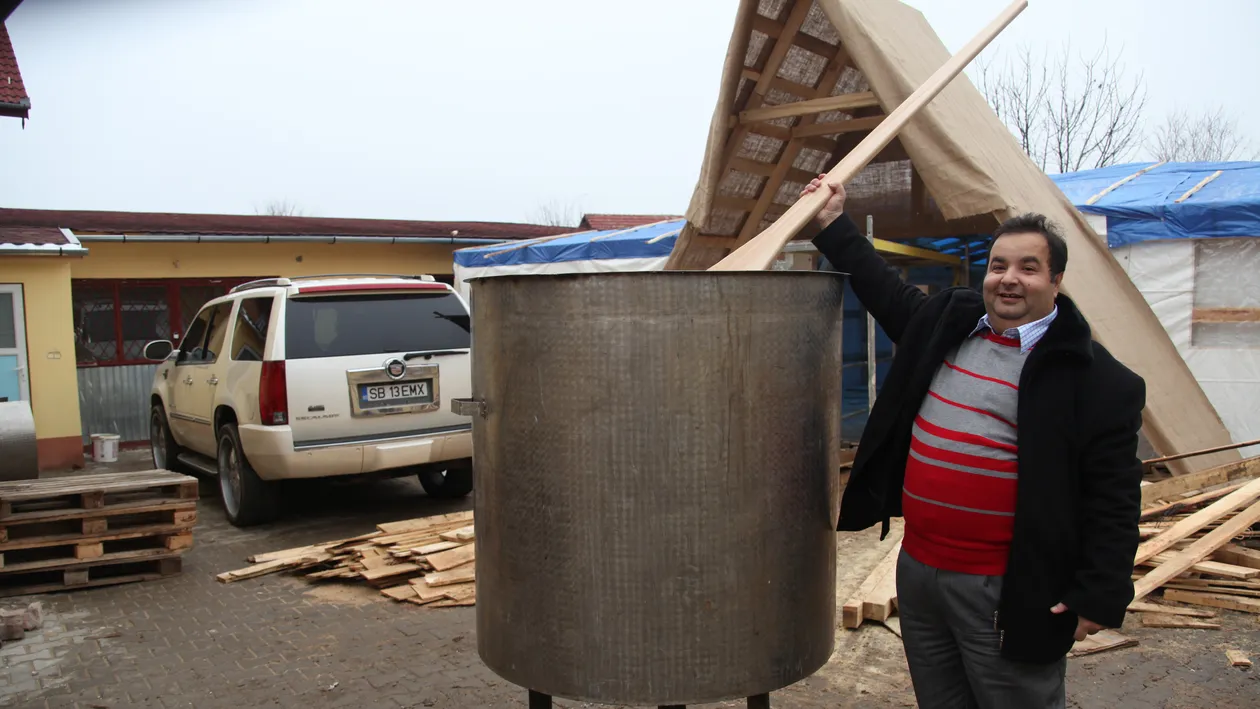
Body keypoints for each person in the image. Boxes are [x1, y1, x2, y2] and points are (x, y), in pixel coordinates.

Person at [802, 175, 1146, 709]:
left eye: (1028, 268)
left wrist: (1099, 594)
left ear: (1056, 279)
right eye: (1000, 265)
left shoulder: (1095, 380)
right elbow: (882, 286)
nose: (1009, 279)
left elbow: (1115, 498)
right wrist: (830, 222)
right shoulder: (948, 326)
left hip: (1008, 586)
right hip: (918, 572)